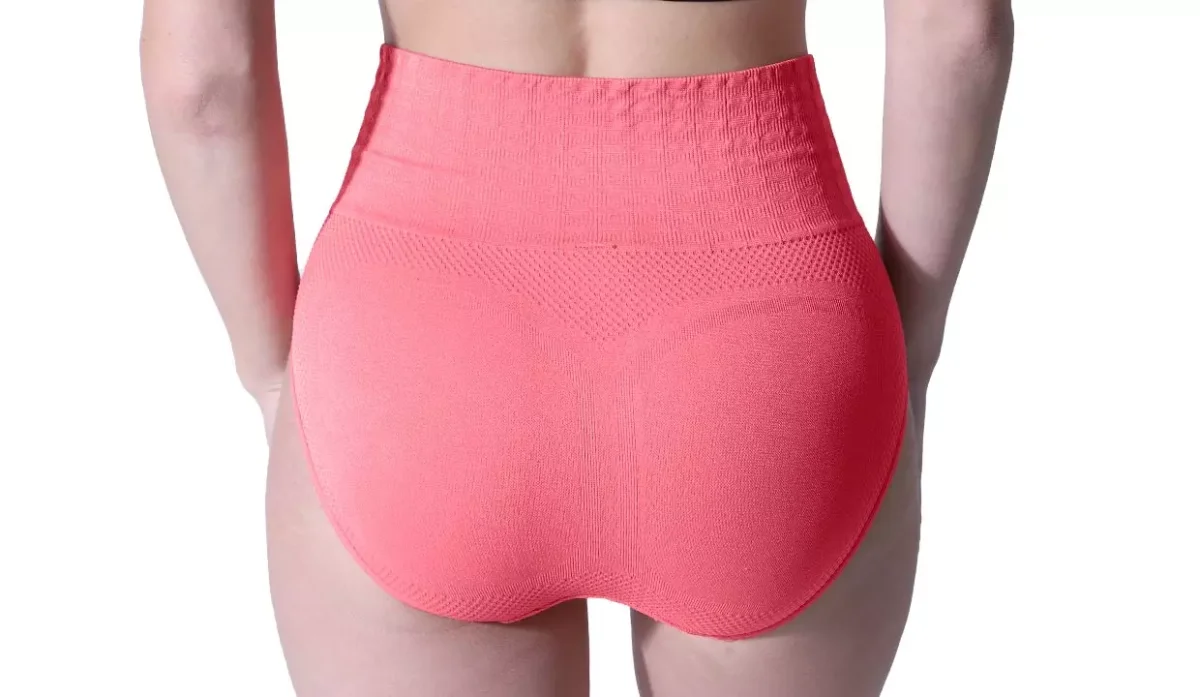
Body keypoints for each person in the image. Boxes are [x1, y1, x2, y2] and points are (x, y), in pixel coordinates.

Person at [140, 0, 1013, 694]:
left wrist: (272, 372)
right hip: (768, 343)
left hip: (417, 353)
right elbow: (956, 30)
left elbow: (202, 78)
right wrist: (908, 350)